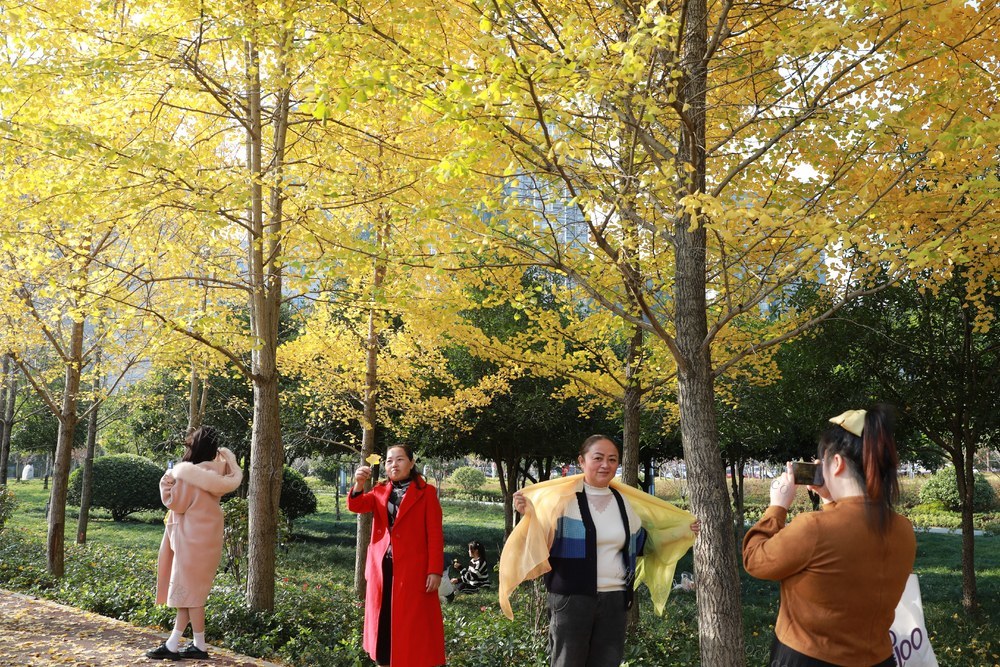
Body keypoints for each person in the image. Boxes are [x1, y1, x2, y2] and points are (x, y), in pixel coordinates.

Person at [500, 435, 701, 667]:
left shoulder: (624, 502)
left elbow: (643, 544)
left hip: (615, 601)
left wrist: (681, 531)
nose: (605, 465)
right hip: (571, 600)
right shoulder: (562, 501)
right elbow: (540, 542)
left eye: (612, 459)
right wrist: (530, 515)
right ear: (582, 461)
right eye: (598, 458)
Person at [743, 405, 917, 667]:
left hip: (809, 659)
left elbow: (755, 560)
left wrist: (777, 506)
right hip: (879, 659)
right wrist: (829, 497)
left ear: (836, 463)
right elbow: (850, 532)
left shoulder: (813, 527)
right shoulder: (903, 528)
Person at [146, 426, 242, 661]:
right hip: (207, 540)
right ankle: (196, 644)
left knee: (187, 595)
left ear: (195, 447)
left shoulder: (190, 474)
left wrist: (167, 479)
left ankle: (175, 644)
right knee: (193, 595)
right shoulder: (217, 473)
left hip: (190, 540)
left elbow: (175, 502)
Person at [348, 445, 446, 667]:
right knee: (383, 622)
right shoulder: (379, 490)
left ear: (411, 463)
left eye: (400, 459)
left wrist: (434, 570)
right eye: (390, 461)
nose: (394, 464)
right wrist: (359, 484)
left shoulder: (426, 493)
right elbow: (356, 505)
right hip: (382, 568)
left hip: (414, 571)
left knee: (412, 627)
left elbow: (435, 534)